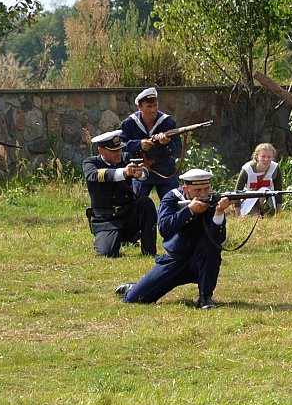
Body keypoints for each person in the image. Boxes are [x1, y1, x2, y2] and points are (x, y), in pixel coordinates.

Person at [116, 169, 235, 309]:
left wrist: (219, 213)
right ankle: (133, 288)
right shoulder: (172, 198)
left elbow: (218, 239)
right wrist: (189, 210)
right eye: (197, 190)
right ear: (185, 189)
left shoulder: (213, 202)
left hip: (202, 261)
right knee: (134, 299)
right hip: (175, 260)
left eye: (206, 189)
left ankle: (205, 297)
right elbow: (165, 229)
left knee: (210, 248)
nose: (203, 194)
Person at [83, 130, 157, 257]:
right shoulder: (91, 162)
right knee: (107, 253)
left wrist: (140, 173)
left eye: (120, 149)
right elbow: (94, 175)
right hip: (106, 220)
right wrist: (124, 172)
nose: (118, 153)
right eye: (113, 151)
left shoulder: (126, 158)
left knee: (145, 203)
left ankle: (149, 251)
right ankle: (107, 239)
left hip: (128, 215)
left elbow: (144, 172)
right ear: (101, 151)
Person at [120, 87, 183, 200]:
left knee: (173, 202)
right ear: (140, 107)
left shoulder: (167, 122)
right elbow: (119, 145)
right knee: (137, 204)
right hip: (140, 171)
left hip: (165, 171)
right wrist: (138, 144)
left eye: (155, 105)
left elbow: (178, 150)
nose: (153, 110)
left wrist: (167, 143)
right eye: (149, 106)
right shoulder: (129, 123)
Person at [234, 143, 285, 216]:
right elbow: (237, 192)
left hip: (267, 200)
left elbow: (278, 191)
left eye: (269, 157)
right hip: (249, 200)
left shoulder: (275, 168)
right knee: (253, 217)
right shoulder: (247, 169)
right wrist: (237, 214)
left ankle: (266, 213)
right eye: (263, 156)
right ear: (257, 156)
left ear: (273, 157)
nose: (266, 159)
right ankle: (254, 213)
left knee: (264, 190)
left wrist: (279, 213)